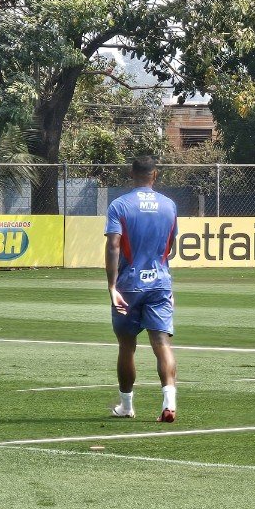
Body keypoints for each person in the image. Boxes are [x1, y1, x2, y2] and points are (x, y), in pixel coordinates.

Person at [105, 156, 180, 423]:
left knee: (127, 346)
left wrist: (112, 286)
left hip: (129, 285)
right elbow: (171, 247)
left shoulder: (120, 205)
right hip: (160, 282)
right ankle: (169, 403)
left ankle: (126, 406)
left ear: (131, 174)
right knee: (162, 343)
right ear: (155, 175)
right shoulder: (169, 205)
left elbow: (114, 245)